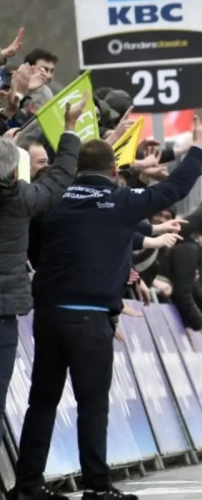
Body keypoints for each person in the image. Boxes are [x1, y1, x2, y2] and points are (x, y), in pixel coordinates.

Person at [11, 116, 202, 500]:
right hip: (90, 319)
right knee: (92, 404)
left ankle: (27, 485)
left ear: (77, 168)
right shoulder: (121, 201)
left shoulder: (51, 198)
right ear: (114, 170)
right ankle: (97, 488)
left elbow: (35, 251)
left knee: (42, 400)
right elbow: (175, 187)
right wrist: (199, 146)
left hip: (50, 313)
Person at [0, 96, 83, 474]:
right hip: (4, 314)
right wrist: (68, 132)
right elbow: (59, 180)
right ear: (15, 172)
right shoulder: (19, 200)